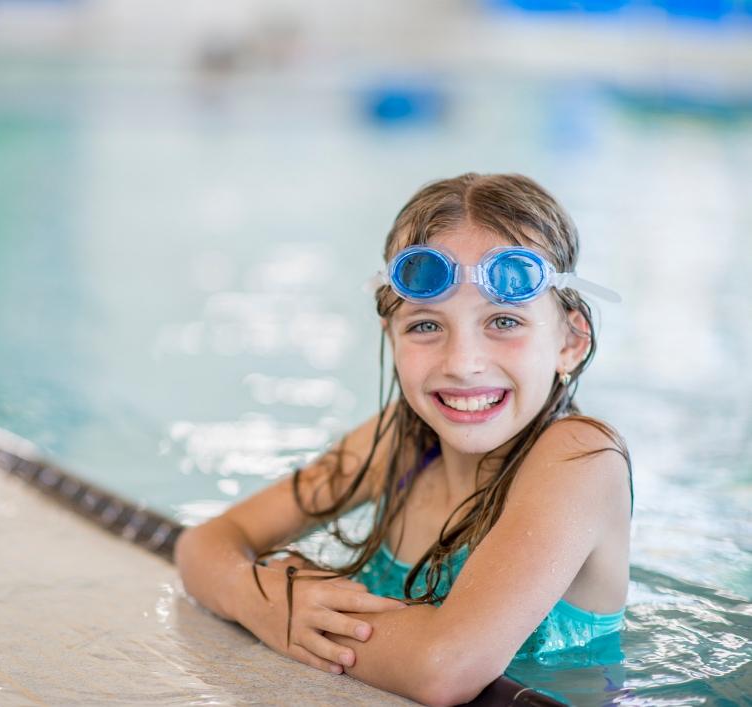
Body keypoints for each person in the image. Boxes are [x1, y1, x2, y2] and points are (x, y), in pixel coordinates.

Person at [175, 173, 633, 706]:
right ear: (389, 334)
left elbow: (443, 670)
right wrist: (264, 603)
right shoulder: (404, 441)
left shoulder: (580, 457)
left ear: (570, 342)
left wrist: (294, 611)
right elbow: (204, 543)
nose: (462, 364)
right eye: (425, 326)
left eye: (504, 321)